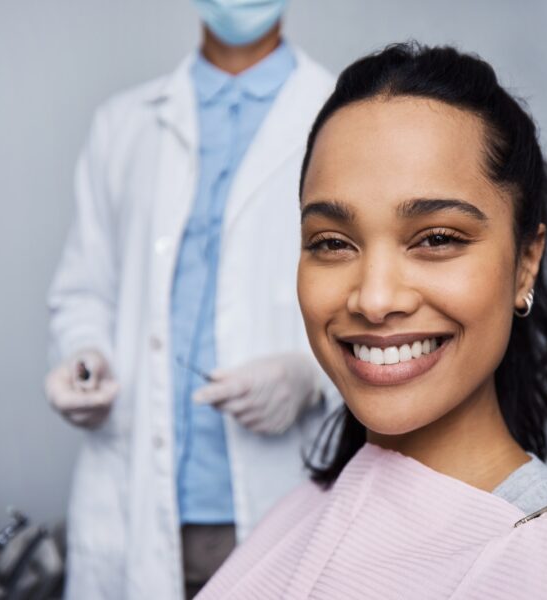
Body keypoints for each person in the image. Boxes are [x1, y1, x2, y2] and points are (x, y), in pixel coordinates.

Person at [196, 43, 547, 598]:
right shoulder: (303, 509)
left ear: (525, 263)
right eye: (332, 242)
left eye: (437, 239)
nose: (373, 299)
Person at [43, 1, 337, 598]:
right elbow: (84, 290)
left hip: (275, 497)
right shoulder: (123, 124)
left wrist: (314, 377)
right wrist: (85, 356)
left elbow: (376, 295)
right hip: (133, 500)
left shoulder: (341, 116)